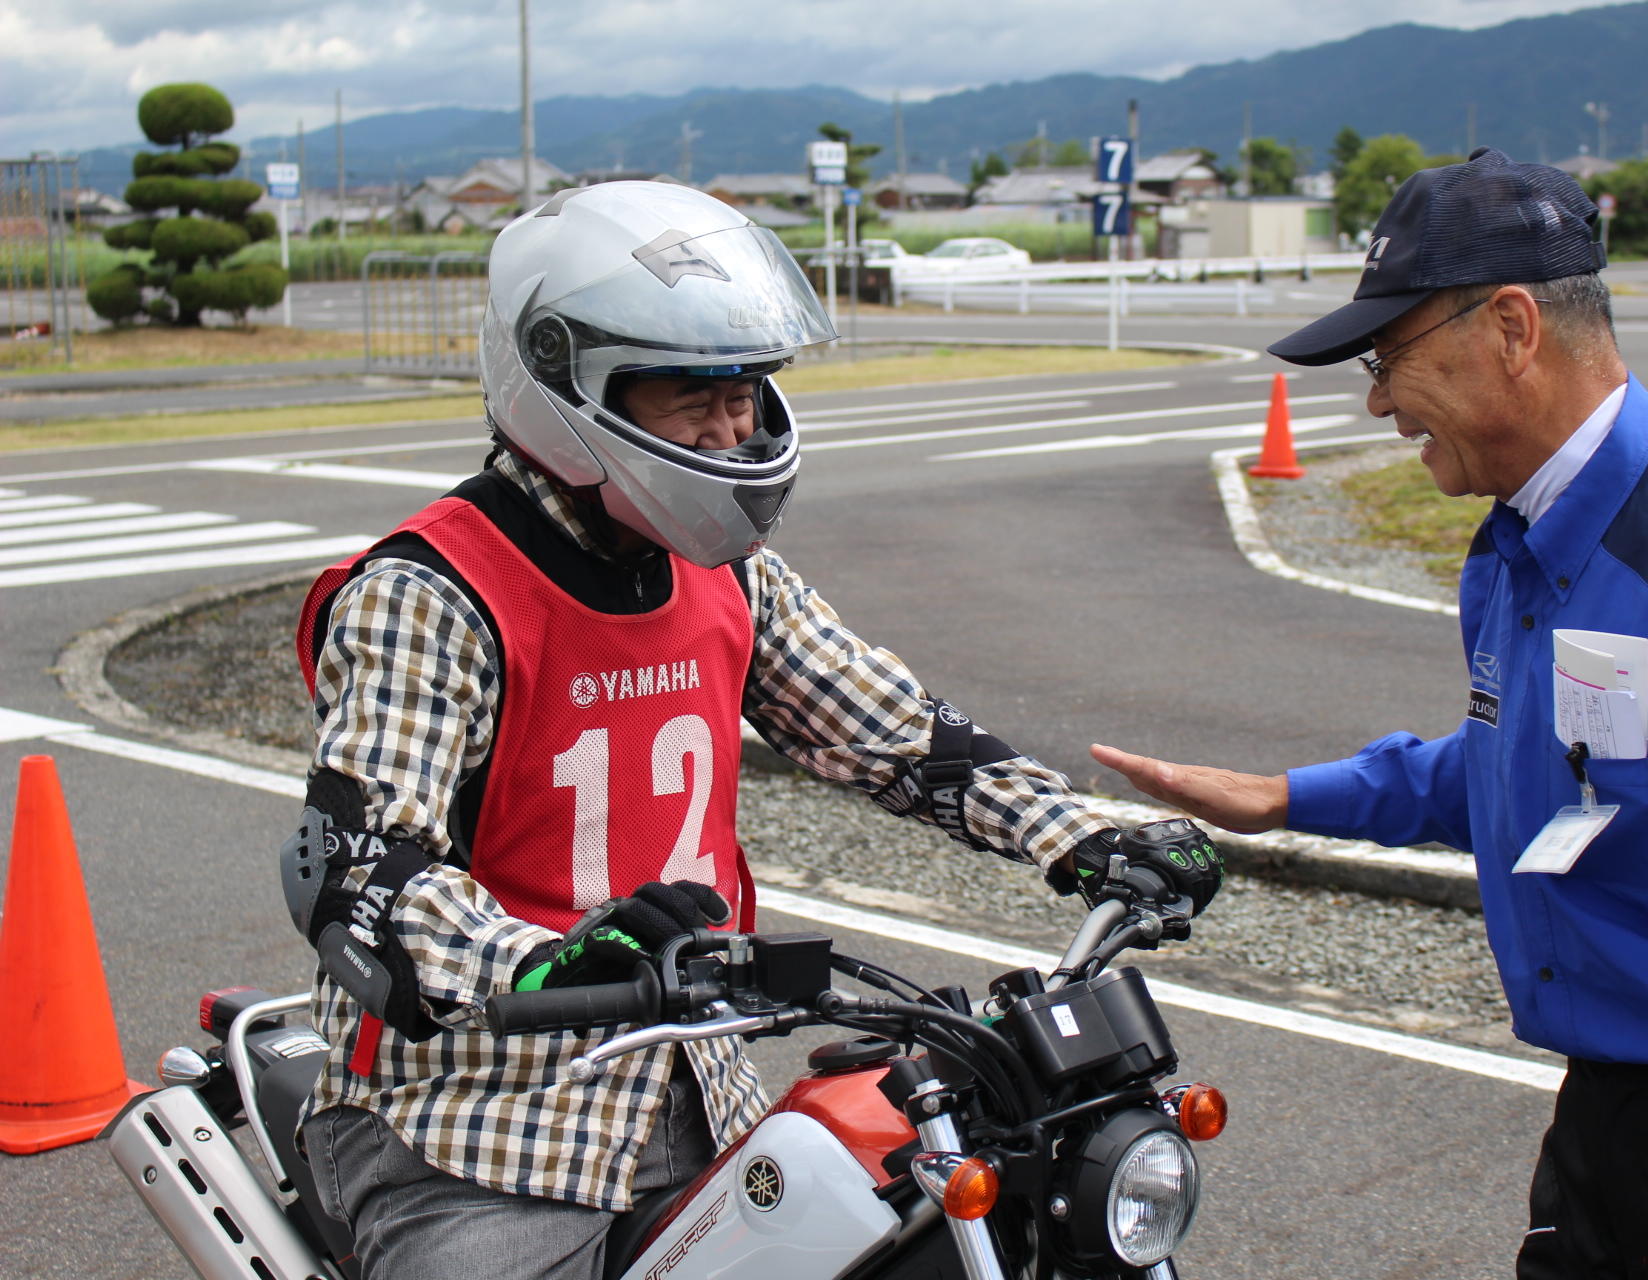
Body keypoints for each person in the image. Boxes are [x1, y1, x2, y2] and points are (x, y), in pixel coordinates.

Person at [278, 181, 1222, 1280]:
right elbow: (361, 872)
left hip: (695, 1076)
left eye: (746, 392)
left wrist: (1084, 834)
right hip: (477, 1119)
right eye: (692, 396)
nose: (731, 428)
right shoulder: (434, 592)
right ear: (565, 387)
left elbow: (898, 735)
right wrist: (543, 968)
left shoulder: (726, 572)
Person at [1091, 147, 1648, 1280]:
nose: (1379, 400)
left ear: (1514, 328)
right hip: (1609, 1126)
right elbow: (1521, 766)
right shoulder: (1524, 537)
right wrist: (1284, 797)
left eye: (1392, 357)